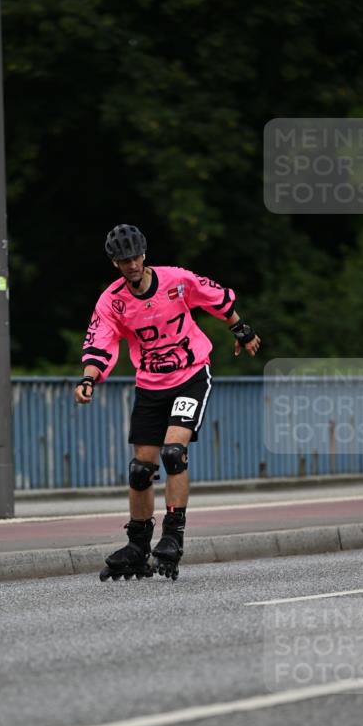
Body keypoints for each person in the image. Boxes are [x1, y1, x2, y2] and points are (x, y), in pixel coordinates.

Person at [74, 223, 261, 581]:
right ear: (114, 263)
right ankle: (138, 545)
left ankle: (173, 537)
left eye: (135, 257)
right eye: (122, 260)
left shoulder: (175, 281)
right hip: (150, 385)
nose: (130, 265)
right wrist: (89, 378)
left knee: (173, 452)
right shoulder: (111, 301)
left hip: (191, 375)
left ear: (144, 255)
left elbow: (215, 297)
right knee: (140, 468)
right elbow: (101, 343)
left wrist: (242, 329)